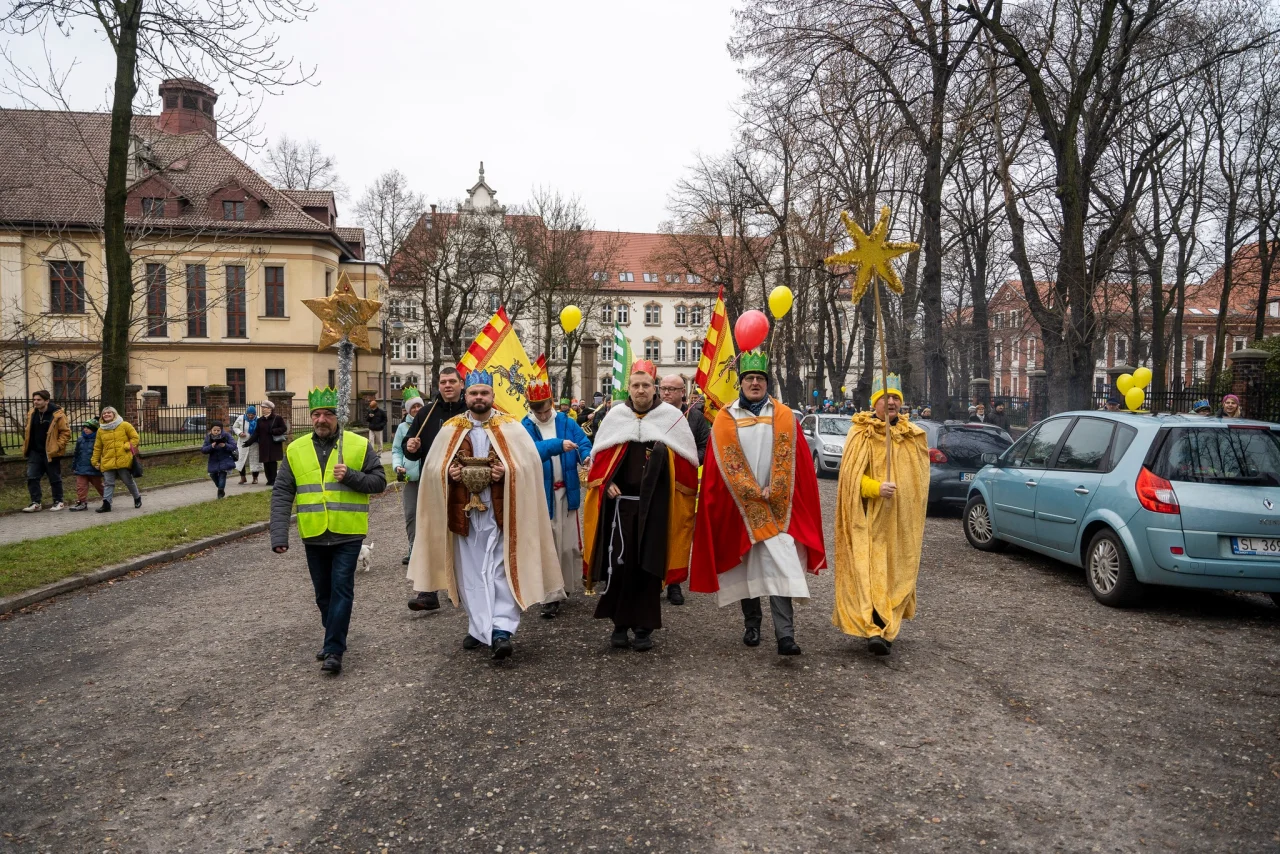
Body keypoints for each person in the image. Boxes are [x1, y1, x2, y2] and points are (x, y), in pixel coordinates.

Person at [406, 370, 562, 660]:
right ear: (466, 396)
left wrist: (508, 471)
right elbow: (432, 469)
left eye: (484, 393)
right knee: (471, 572)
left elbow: (528, 465)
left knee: (500, 571)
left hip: (501, 513)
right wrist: (448, 473)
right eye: (474, 393)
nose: (479, 398)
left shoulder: (511, 427)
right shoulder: (451, 429)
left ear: (492, 396)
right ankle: (480, 627)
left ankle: (501, 630)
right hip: (465, 515)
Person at [690, 351, 826, 656]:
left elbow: (799, 463)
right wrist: (747, 491)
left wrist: (776, 487)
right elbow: (717, 466)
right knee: (747, 569)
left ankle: (785, 636)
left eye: (760, 379)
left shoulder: (784, 416)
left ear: (767, 383)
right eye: (749, 378)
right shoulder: (726, 418)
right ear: (741, 383)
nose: (754, 383)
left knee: (781, 566)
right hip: (740, 506)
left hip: (777, 506)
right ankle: (752, 625)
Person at [581, 361, 699, 652]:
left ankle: (644, 628)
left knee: (649, 568)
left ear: (654, 388)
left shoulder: (671, 418)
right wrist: (607, 481)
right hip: (620, 509)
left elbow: (687, 463)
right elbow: (600, 460)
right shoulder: (616, 416)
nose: (641, 390)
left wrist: (662, 456)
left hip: (656, 508)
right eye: (636, 385)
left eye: (646, 385)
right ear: (629, 388)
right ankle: (620, 625)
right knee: (620, 566)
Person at [270, 388, 387, 675]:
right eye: (317, 414)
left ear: (338, 417)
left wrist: (351, 476)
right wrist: (279, 535)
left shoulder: (358, 445)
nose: (322, 419)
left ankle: (334, 649)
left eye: (328, 414)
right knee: (323, 594)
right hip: (313, 533)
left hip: (348, 532)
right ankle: (333, 634)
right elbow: (282, 492)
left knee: (341, 589)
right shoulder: (295, 449)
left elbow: (379, 482)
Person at [833, 373, 929, 656]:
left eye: (895, 398)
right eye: (885, 397)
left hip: (900, 522)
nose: (891, 402)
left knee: (895, 573)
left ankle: (888, 625)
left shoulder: (912, 436)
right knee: (871, 570)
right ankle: (875, 628)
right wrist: (876, 488)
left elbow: (920, 480)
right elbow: (850, 479)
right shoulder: (860, 433)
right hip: (869, 519)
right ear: (874, 402)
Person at [521, 378, 593, 618]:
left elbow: (583, 442)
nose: (542, 415)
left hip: (567, 490)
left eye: (544, 409)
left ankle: (565, 585)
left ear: (551, 402)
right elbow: (529, 453)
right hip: (542, 493)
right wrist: (558, 444)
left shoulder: (566, 421)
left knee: (568, 544)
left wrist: (586, 456)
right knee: (548, 544)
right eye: (537, 411)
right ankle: (550, 595)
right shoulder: (524, 426)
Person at [402, 366, 468, 611]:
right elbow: (411, 447)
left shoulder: (470, 411)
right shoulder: (427, 412)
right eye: (443, 382)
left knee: (463, 535)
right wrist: (411, 446)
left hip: (466, 483)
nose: (447, 385)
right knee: (430, 535)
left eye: (452, 381)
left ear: (461, 384)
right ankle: (428, 591)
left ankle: (461, 587)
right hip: (432, 483)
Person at [656, 374, 711, 605]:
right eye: (663, 388)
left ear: (682, 392)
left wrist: (688, 461)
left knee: (679, 533)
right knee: (655, 533)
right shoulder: (652, 414)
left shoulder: (695, 417)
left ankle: (674, 583)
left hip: (682, 485)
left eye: (672, 389)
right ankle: (653, 581)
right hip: (655, 484)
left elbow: (705, 446)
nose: (666, 392)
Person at [21, 389, 71, 512]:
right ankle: (36, 503)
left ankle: (58, 501)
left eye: (39, 400)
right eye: (34, 399)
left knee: (54, 478)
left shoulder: (57, 414)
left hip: (50, 452)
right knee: (32, 477)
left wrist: (57, 446)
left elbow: (65, 432)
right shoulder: (32, 413)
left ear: (47, 401)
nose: (35, 402)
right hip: (35, 451)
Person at [392, 387, 426, 566]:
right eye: (413, 407)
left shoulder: (429, 422)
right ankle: (413, 547)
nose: (416, 409)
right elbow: (397, 450)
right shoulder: (402, 427)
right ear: (407, 409)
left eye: (419, 406)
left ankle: (430, 548)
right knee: (411, 514)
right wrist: (398, 465)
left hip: (429, 477)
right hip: (411, 477)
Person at [91, 405, 141, 513]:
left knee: (128, 481)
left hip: (123, 459)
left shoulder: (124, 425)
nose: (106, 414)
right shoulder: (100, 430)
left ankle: (137, 497)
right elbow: (98, 447)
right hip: (107, 460)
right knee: (108, 483)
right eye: (104, 413)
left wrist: (127, 446)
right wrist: (94, 461)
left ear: (114, 414)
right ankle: (106, 504)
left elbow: (135, 438)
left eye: (109, 412)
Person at [247, 400, 289, 485]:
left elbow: (284, 428)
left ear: (270, 409)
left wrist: (274, 431)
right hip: (264, 444)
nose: (263, 409)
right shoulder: (260, 420)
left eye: (265, 408)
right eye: (262, 408)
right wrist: (249, 442)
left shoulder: (277, 418)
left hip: (273, 444)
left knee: (272, 462)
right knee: (266, 462)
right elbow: (257, 432)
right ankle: (269, 479)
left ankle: (273, 480)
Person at [68, 418, 104, 511]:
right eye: (84, 427)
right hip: (81, 467)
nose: (85, 429)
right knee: (81, 486)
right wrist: (74, 466)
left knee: (99, 486)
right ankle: (82, 502)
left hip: (94, 468)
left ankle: (107, 499)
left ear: (94, 429)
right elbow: (76, 454)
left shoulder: (98, 439)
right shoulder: (80, 439)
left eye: (88, 428)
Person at [201, 421, 238, 499]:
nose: (216, 432)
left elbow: (234, 446)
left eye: (218, 430)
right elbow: (203, 450)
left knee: (222, 476)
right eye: (214, 430)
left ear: (221, 429)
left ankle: (220, 493)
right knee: (213, 475)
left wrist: (225, 445)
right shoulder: (208, 437)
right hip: (213, 460)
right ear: (211, 430)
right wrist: (211, 446)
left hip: (225, 459)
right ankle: (221, 489)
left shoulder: (226, 435)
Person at [232, 404, 263, 485]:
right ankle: (243, 477)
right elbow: (235, 427)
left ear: (255, 414)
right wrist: (239, 433)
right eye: (249, 415)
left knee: (255, 460)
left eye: (252, 415)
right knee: (241, 460)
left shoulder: (258, 420)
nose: (250, 416)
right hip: (243, 442)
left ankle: (255, 478)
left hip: (255, 443)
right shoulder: (241, 418)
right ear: (246, 413)